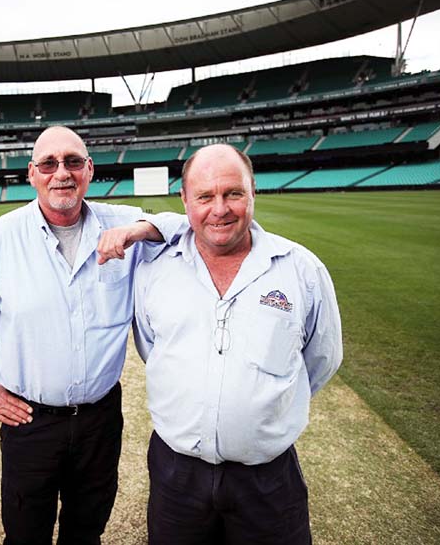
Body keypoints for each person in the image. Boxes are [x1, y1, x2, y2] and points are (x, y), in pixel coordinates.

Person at [0, 126, 184, 544]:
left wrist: (139, 230)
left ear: (89, 169)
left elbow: (185, 226)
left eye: (72, 161)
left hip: (100, 421)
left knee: (86, 533)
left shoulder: (121, 222)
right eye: (49, 163)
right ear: (32, 174)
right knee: (26, 535)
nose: (61, 172)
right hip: (30, 423)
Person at [132, 144, 342, 544]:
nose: (220, 209)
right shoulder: (154, 271)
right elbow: (151, 347)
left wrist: (259, 405)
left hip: (268, 479)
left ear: (253, 192)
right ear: (184, 201)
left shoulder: (302, 270)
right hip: (177, 475)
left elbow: (322, 358)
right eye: (205, 196)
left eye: (233, 193)